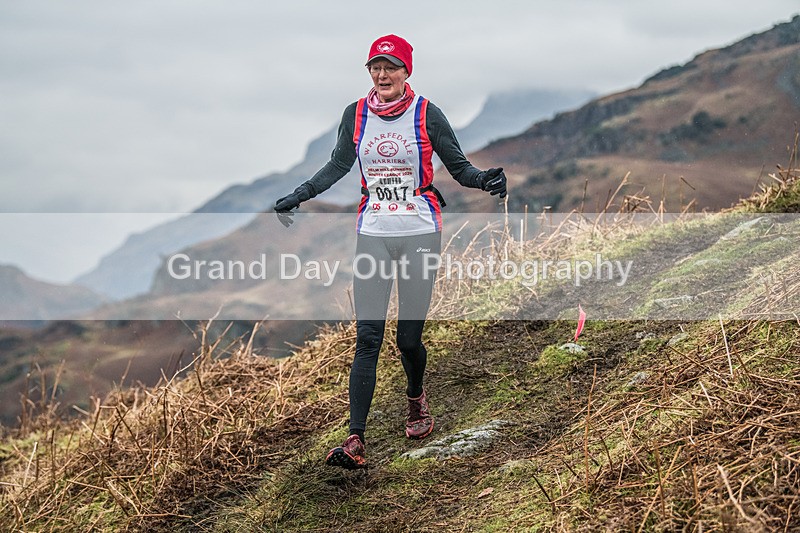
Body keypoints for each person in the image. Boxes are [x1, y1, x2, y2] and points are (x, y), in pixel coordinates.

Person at [274, 34, 507, 469]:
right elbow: (339, 164)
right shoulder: (356, 114)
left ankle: (415, 397)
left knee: (407, 339)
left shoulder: (426, 114)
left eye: (390, 67)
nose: (382, 74)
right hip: (374, 232)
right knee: (367, 338)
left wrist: (484, 179)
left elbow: (459, 167)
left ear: (406, 72)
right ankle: (355, 439)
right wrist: (299, 194)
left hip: (420, 230)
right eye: (374, 67)